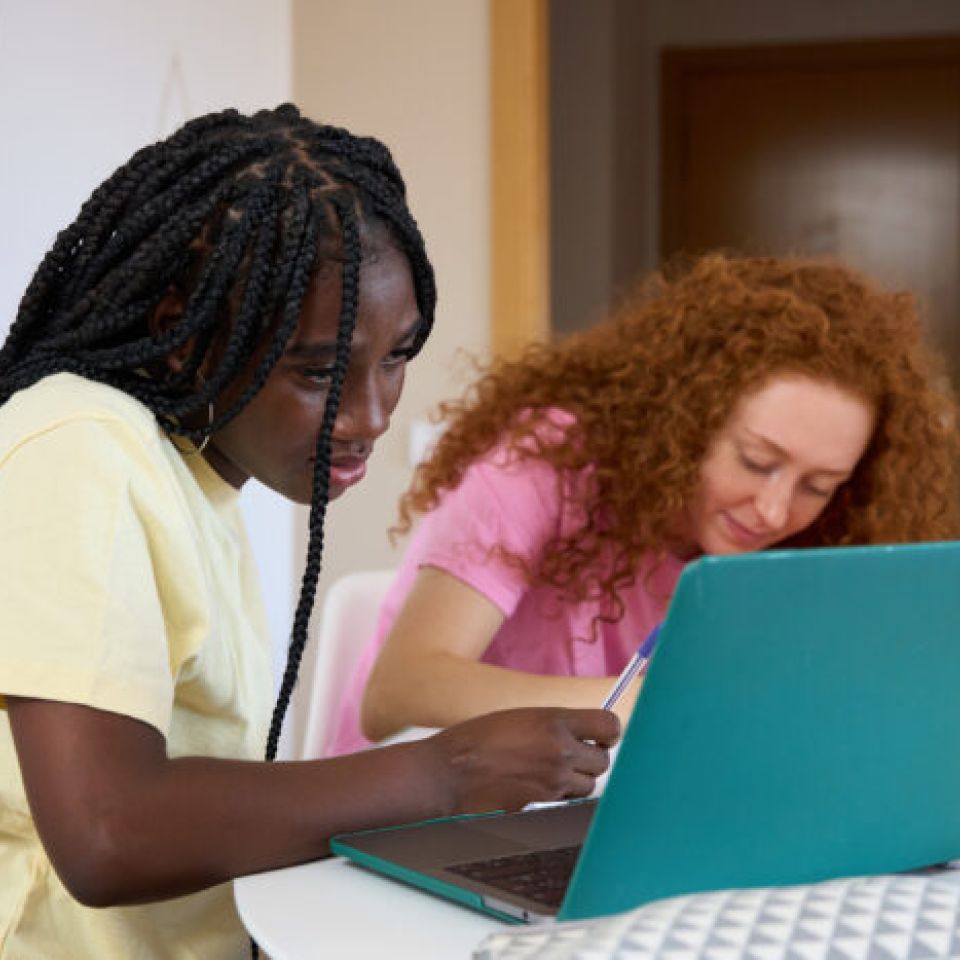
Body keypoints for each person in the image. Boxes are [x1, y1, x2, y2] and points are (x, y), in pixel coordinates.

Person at [0, 105, 619, 960]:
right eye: (321, 371)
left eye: (397, 356)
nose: (369, 415)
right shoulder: (79, 445)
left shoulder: (196, 467)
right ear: (182, 334)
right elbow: (108, 833)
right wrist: (449, 772)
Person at [328, 252, 960, 756]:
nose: (773, 510)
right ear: (687, 419)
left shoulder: (810, 541)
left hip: (587, 810)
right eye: (757, 461)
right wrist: (654, 702)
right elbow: (399, 691)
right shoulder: (540, 465)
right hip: (419, 817)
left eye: (817, 486)